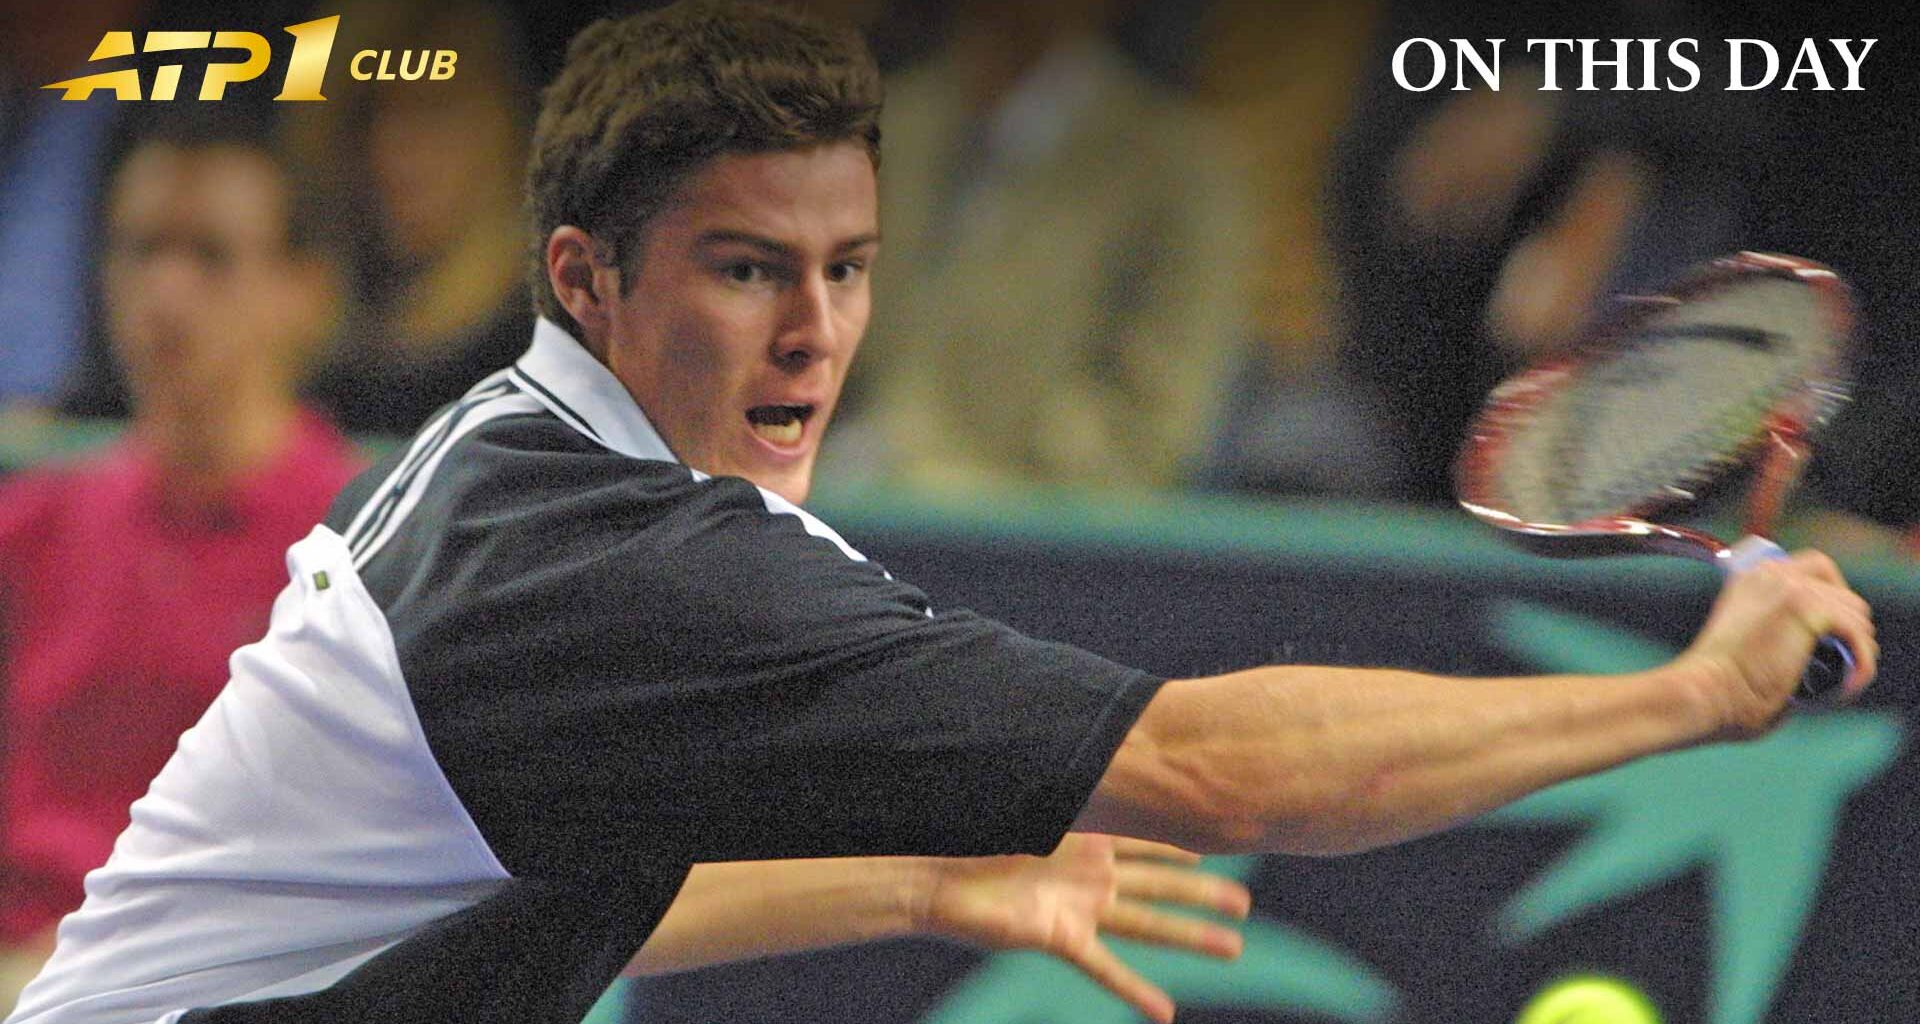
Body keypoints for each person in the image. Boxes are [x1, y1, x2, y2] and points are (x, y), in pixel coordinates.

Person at [7, 3, 1877, 1023]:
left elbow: (511, 886)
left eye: (848, 266)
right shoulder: (627, 561)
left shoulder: (518, 456)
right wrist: (1681, 698)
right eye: (745, 269)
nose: (813, 328)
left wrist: (915, 879)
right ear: (585, 277)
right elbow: (1226, 770)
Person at [0, 108, 364, 1012]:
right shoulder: (31, 526)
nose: (165, 290)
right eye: (138, 248)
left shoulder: (364, 544)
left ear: (305, 290)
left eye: (209, 255)